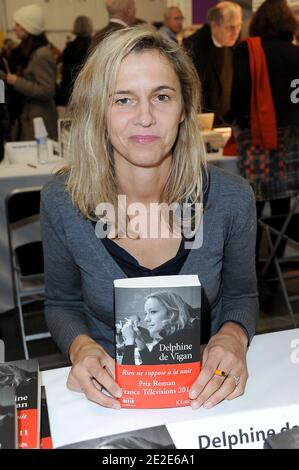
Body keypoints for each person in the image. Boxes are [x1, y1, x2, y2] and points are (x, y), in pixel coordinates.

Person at [40, 26, 258, 411]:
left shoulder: (230, 199)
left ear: (185, 108)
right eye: (123, 99)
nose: (145, 118)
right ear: (97, 111)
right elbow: (62, 303)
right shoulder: (63, 202)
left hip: (208, 396)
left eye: (161, 96)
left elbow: (241, 295)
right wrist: (82, 347)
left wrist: (233, 337)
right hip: (109, 399)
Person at [230, 0, 299, 261]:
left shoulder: (248, 52)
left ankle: (255, 269)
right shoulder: (296, 54)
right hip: (293, 141)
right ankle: (275, 263)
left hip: (258, 138)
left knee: (255, 204)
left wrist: (233, 119)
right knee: (284, 204)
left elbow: (239, 94)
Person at [4, 4, 58, 140]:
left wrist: (16, 81)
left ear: (28, 27)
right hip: (28, 117)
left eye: (18, 24)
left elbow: (47, 90)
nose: (14, 28)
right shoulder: (25, 51)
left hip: (39, 121)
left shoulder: (41, 54)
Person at [183, 1, 242, 125]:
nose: (235, 32)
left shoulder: (236, 44)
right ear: (214, 25)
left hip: (228, 120)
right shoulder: (194, 47)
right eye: (230, 27)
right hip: (203, 121)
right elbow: (191, 93)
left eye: (239, 26)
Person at [121, 291, 200, 365]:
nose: (146, 319)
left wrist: (129, 340)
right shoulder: (184, 335)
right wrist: (139, 339)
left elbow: (128, 375)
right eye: (146, 313)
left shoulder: (173, 341)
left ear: (172, 313)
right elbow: (151, 363)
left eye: (153, 312)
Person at [59, 16, 93, 106]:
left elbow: (65, 74)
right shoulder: (94, 46)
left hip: (72, 93)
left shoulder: (69, 48)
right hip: (90, 93)